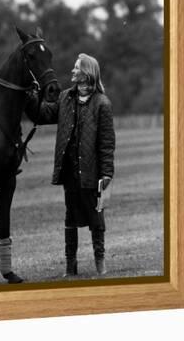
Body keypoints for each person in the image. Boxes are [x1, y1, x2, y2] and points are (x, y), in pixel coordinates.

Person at [28, 53, 115, 276]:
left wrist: (106, 174)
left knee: (97, 219)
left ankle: (100, 263)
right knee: (70, 218)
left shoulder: (102, 103)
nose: (72, 71)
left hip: (92, 172)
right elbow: (42, 114)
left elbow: (106, 144)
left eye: (77, 68)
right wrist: (31, 96)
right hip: (69, 172)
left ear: (86, 73)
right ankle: (70, 266)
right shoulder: (65, 97)